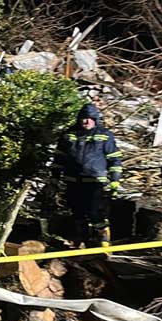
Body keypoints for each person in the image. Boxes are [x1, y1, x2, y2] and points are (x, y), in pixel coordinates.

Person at [54, 103, 123, 247]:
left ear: (96, 119)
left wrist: (115, 180)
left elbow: (114, 158)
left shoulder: (104, 135)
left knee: (94, 211)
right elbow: (59, 158)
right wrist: (54, 178)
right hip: (72, 180)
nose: (87, 121)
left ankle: (103, 239)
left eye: (90, 118)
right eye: (84, 118)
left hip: (94, 180)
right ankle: (81, 240)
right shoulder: (69, 134)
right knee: (76, 211)